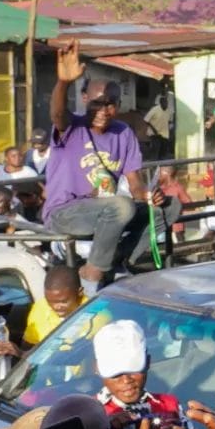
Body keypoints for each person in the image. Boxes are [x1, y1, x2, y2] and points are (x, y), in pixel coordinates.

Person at [41, 39, 146, 289]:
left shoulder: (123, 133)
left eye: (110, 103)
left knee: (168, 208)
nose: (103, 109)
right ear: (84, 98)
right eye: (96, 102)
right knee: (121, 207)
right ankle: (94, 274)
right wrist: (64, 82)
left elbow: (135, 182)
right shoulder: (71, 127)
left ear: (118, 105)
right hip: (65, 212)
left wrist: (150, 197)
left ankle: (110, 260)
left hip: (105, 209)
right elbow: (57, 114)